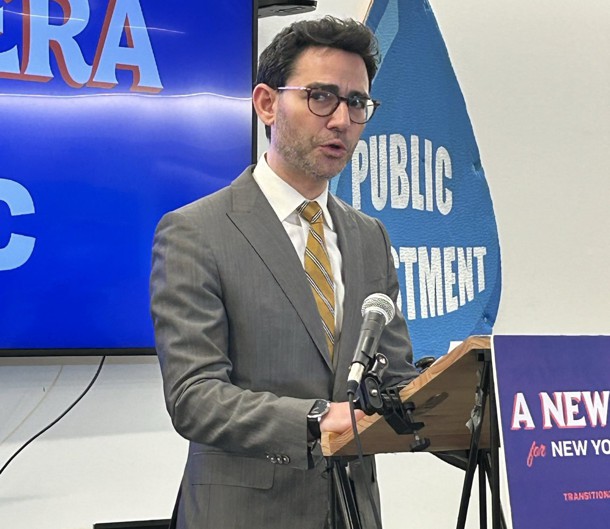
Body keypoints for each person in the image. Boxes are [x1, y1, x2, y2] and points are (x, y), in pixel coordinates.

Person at [150, 16, 419, 529]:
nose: (341, 120)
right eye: (321, 97)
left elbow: (394, 376)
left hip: (352, 512)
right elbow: (194, 397)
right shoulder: (196, 231)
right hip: (243, 516)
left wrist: (476, 399)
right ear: (267, 103)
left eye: (357, 103)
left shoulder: (370, 237)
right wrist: (317, 418)